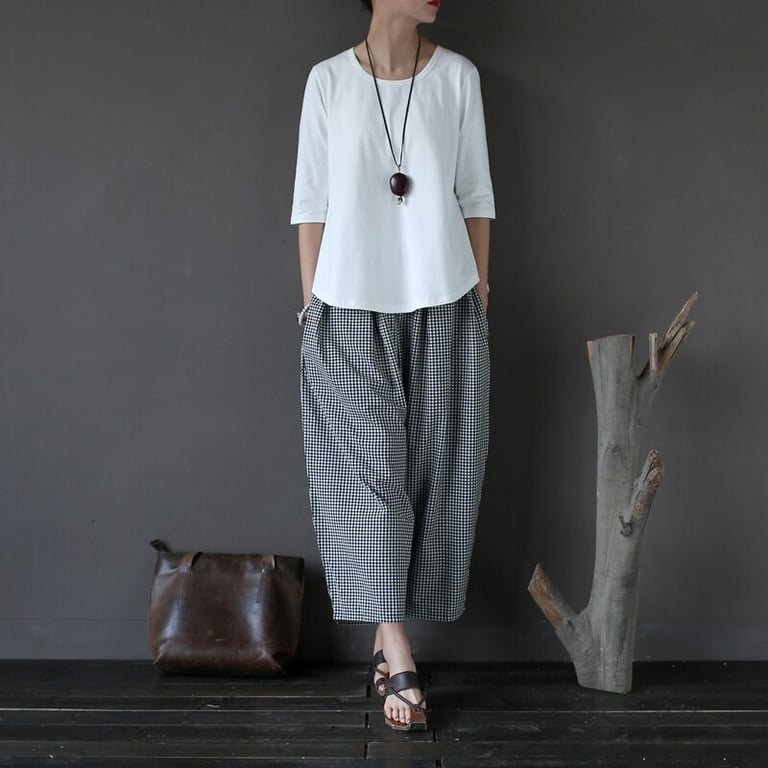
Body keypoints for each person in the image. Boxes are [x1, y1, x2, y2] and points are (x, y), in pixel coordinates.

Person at [290, 0, 494, 732]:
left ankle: (384, 641)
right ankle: (398, 644)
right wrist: (311, 306)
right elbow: (310, 201)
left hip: (445, 299)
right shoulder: (328, 82)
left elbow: (475, 193)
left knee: (437, 470)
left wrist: (481, 291)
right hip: (347, 304)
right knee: (369, 472)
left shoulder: (458, 78)